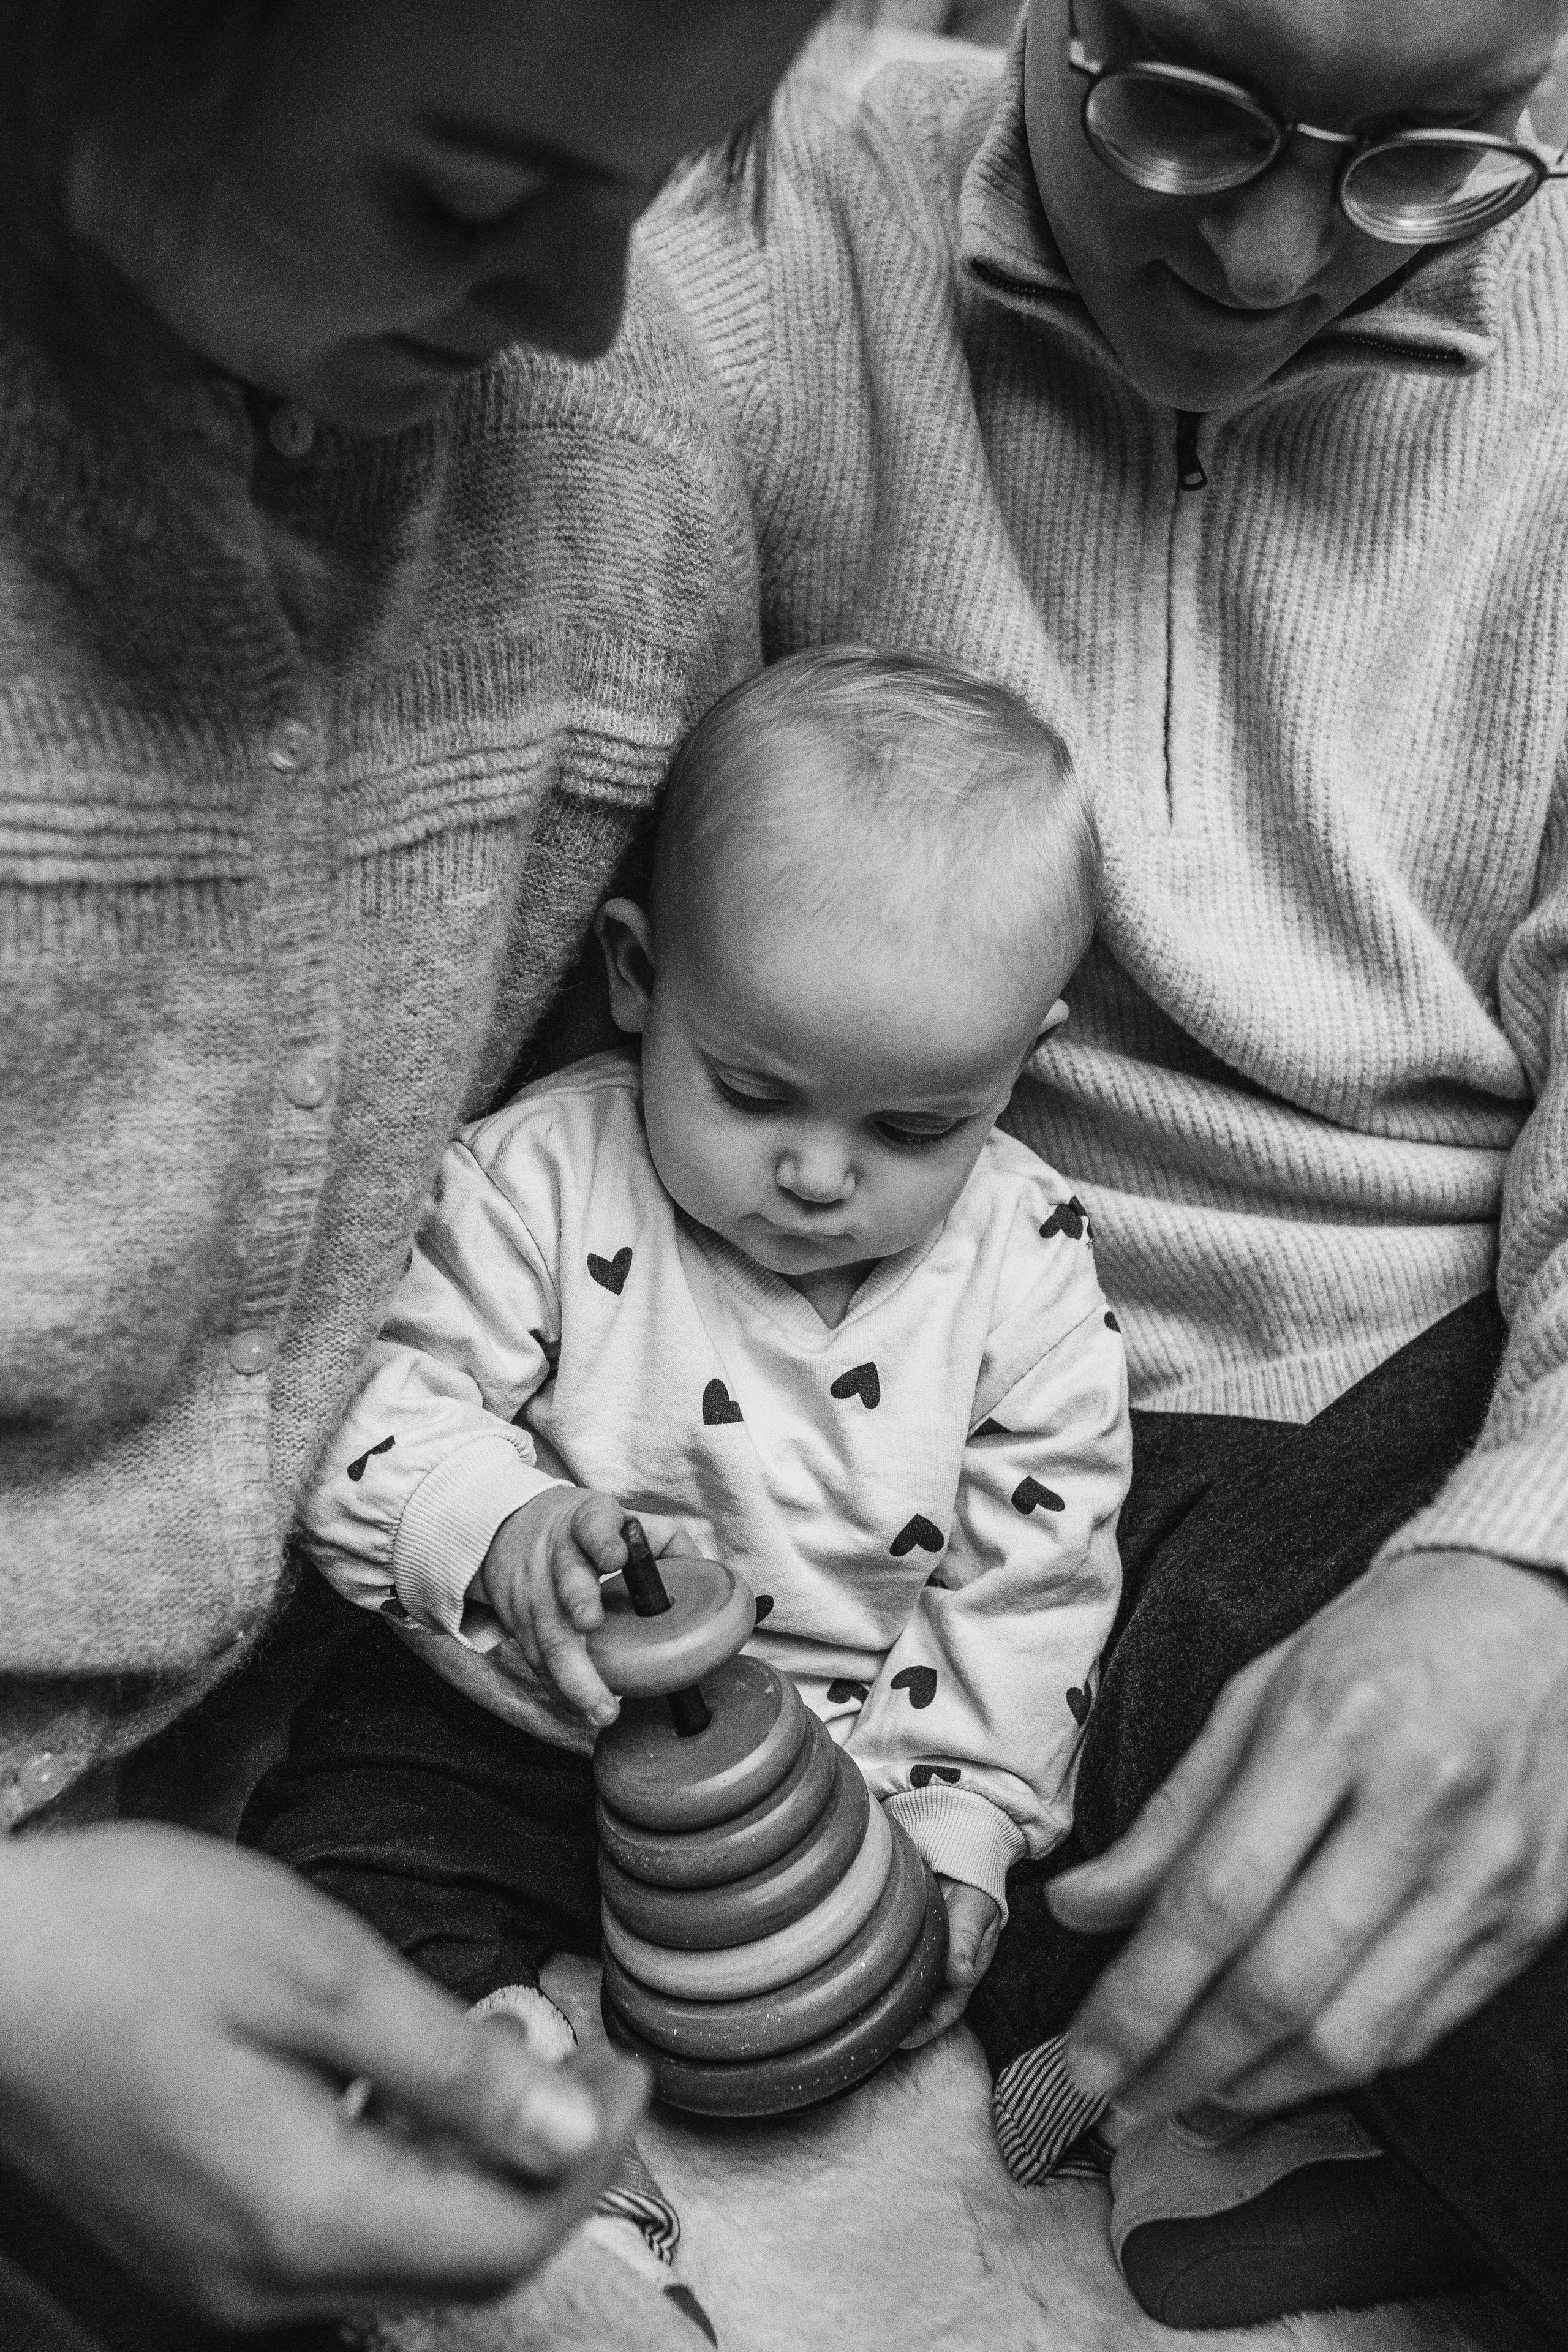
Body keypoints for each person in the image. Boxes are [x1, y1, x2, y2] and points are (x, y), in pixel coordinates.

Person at [646, 0, 1568, 2334]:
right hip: (1053, 1419)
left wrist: (1528, 1562)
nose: (1269, 257)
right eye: (1184, 109)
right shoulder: (751, 232)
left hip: (1492, 1360)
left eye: (1423, 159)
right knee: (1263, 1720)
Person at [0, 1, 832, 2344]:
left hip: (331, 1773)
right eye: (464, 193)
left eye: (663, 180)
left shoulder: (625, 471)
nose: (583, 309)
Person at [244, 644, 1129, 2089]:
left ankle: (1109, 2101)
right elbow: (363, 1409)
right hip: (535, 1724)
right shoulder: (540, 1181)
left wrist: (953, 1816)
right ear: (639, 976)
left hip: (850, 1758)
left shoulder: (1023, 1265)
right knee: (340, 1837)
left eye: (911, 1129)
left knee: (1073, 1893)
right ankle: (473, 2070)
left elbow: (1030, 1578)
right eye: (752, 1092)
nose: (817, 1177)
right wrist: (507, 1528)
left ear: (1016, 1067)